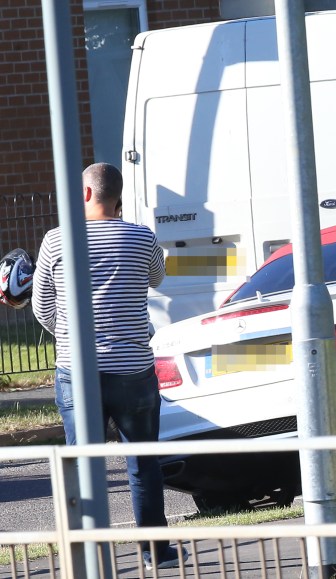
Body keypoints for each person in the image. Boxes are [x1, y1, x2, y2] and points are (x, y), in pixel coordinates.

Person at [31, 163, 187, 571]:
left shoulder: (56, 241)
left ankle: (87, 556)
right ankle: (156, 551)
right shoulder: (141, 237)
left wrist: (69, 336)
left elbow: (42, 307)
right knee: (143, 461)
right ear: (117, 196)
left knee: (83, 463)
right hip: (133, 368)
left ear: (85, 194)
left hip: (77, 371)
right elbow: (157, 278)